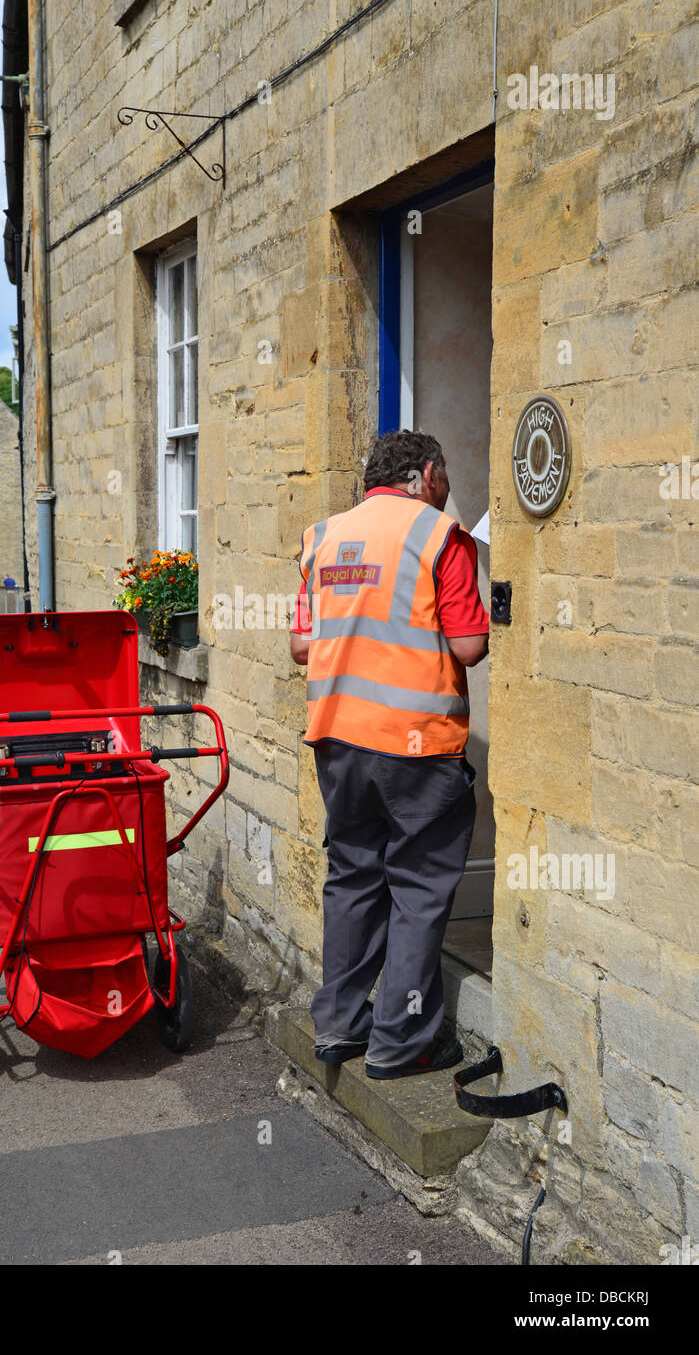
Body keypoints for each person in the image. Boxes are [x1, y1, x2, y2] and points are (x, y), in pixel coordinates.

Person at [290, 430, 489, 1079]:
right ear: (426, 474)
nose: (448, 487)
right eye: (445, 475)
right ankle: (400, 1043)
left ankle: (339, 1028)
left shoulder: (322, 538)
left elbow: (301, 646)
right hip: (414, 746)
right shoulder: (439, 537)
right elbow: (466, 648)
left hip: (337, 741)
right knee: (417, 888)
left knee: (351, 880)